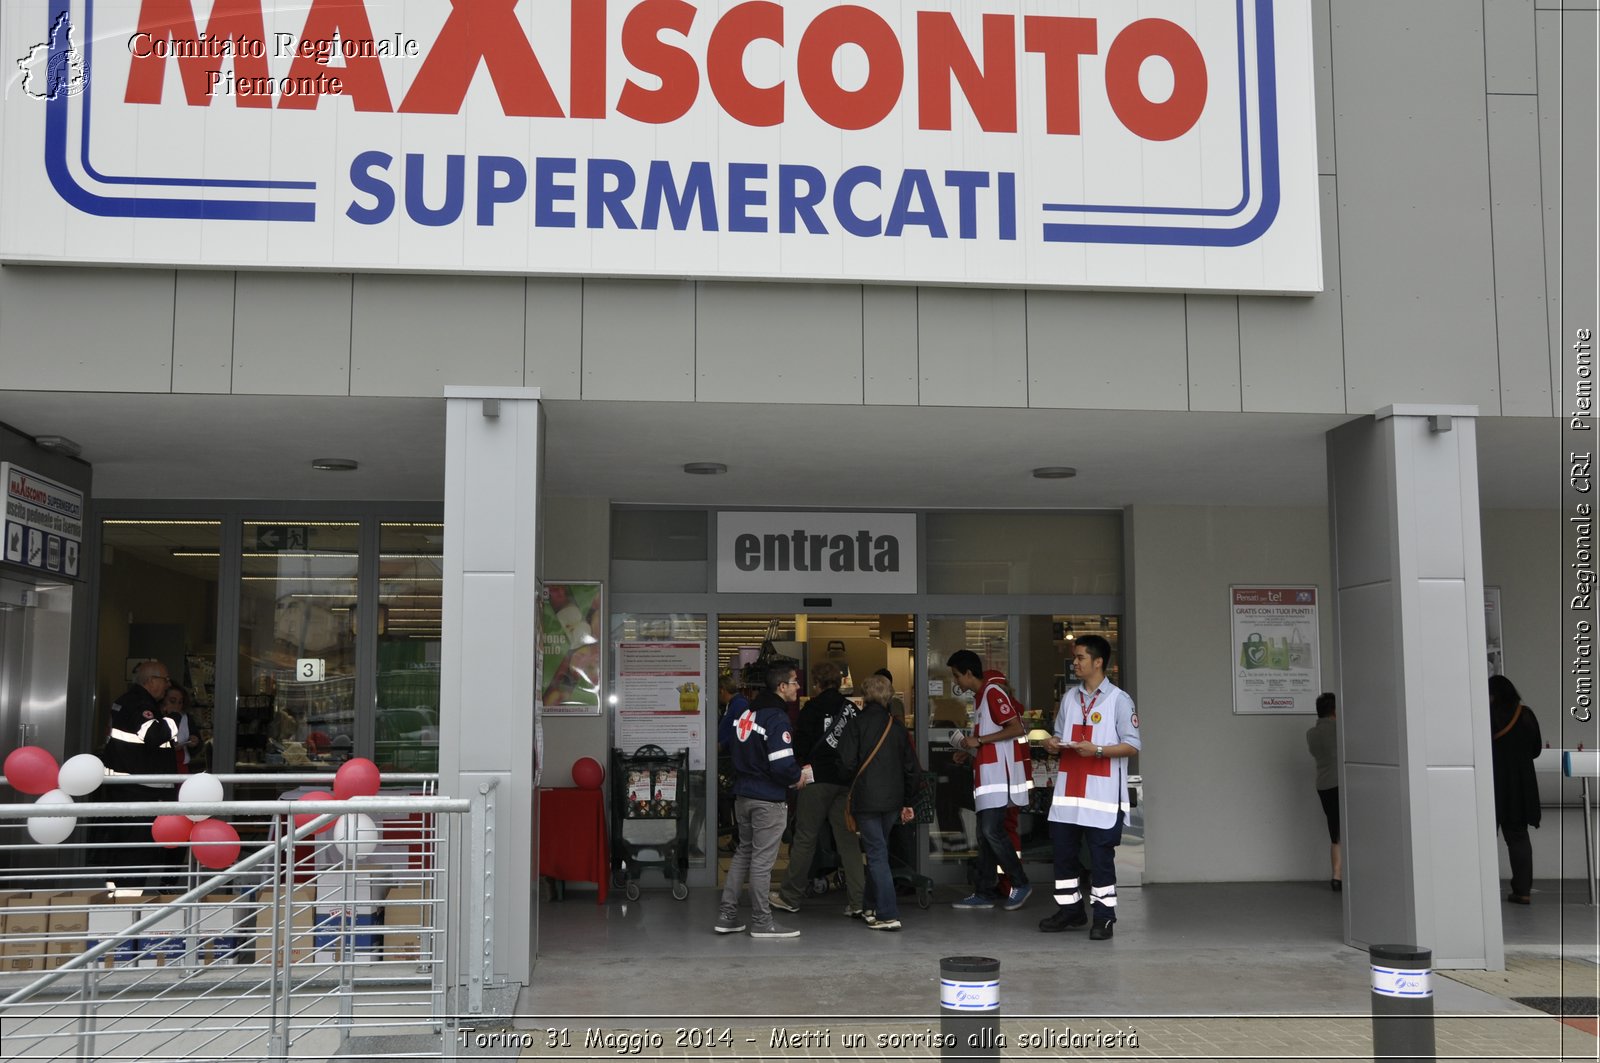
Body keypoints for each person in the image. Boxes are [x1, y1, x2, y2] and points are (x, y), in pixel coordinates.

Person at [1039, 636, 1140, 939]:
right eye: (1075, 658)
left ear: (1098, 662)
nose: (1075, 663)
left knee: (1100, 859)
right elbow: (1059, 734)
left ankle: (1104, 916)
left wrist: (1097, 750)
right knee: (1064, 855)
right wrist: (1052, 744)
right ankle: (1071, 910)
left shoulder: (1119, 700)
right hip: (1069, 794)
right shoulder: (1070, 699)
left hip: (1102, 796)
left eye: (1081, 657)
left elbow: (1133, 745)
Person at [771, 661, 867, 918]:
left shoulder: (811, 709)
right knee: (848, 841)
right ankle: (858, 901)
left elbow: (799, 746)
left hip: (815, 780)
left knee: (805, 838)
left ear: (817, 683)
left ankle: (790, 897)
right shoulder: (851, 710)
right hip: (844, 783)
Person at [715, 661, 804, 938]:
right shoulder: (776, 718)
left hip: (743, 796)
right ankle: (762, 923)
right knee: (763, 862)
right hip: (768, 800)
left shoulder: (748, 714)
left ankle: (727, 916)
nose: (798, 686)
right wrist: (797, 776)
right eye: (794, 682)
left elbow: (733, 750)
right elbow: (782, 765)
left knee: (743, 854)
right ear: (781, 687)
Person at [946, 651, 1032, 911]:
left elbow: (1016, 728)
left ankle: (1020, 882)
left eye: (957, 676)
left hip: (997, 779)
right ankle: (984, 890)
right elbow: (993, 737)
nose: (956, 682)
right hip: (987, 778)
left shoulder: (993, 693)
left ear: (969, 673)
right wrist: (969, 749)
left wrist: (979, 741)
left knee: (991, 832)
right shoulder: (982, 698)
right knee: (984, 835)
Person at [836, 673, 916, 931]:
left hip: (867, 800)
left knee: (876, 853)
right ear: (889, 697)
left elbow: (846, 763)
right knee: (878, 851)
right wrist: (908, 801)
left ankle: (887, 913)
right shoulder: (898, 727)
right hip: (893, 801)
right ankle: (869, 906)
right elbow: (912, 768)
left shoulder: (855, 725)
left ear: (864, 696)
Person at [96, 660, 181, 887]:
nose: (167, 685)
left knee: (122, 850)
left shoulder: (122, 701)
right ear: (151, 680)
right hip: (140, 791)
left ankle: (116, 898)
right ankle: (127, 904)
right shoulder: (141, 704)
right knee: (136, 852)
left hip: (125, 788)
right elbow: (153, 736)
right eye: (165, 679)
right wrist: (174, 719)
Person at [1489, 675, 1541, 904]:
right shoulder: (1525, 714)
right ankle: (1523, 891)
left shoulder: (1486, 714)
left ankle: (1482, 888)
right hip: (1520, 785)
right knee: (1518, 837)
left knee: (1483, 838)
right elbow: (1536, 749)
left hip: (1491, 782)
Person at [1305, 692, 1341, 890]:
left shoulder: (1311, 733)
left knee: (1335, 831)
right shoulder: (1340, 730)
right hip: (1341, 784)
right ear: (1335, 710)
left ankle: (1337, 875)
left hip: (1323, 785)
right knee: (1352, 830)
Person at [161, 683, 202, 773]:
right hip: (161, 767)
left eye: (180, 702)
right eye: (172, 701)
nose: (177, 706)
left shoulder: (185, 718)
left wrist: (194, 742)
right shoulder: (155, 718)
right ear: (162, 701)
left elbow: (198, 744)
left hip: (181, 766)